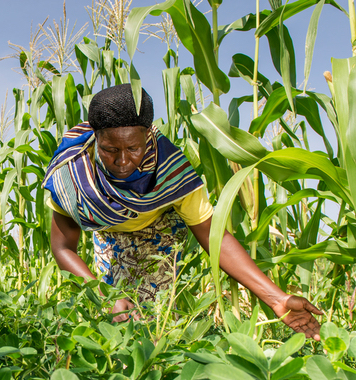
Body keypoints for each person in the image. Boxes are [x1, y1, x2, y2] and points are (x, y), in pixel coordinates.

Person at [43, 84, 323, 340]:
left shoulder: (172, 171)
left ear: (148, 136)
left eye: (133, 148)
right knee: (116, 319)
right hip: (109, 233)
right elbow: (63, 247)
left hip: (160, 229)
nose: (123, 160)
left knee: (155, 318)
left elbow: (214, 237)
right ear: (96, 139)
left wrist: (276, 298)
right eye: (109, 149)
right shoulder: (72, 175)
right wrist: (105, 296)